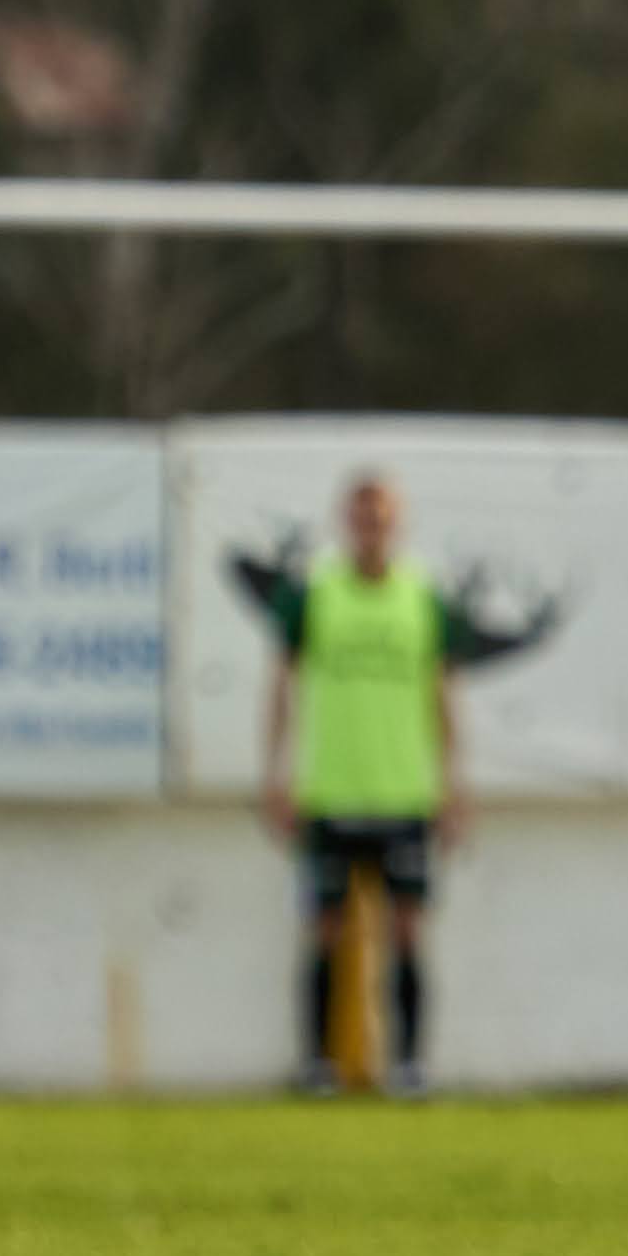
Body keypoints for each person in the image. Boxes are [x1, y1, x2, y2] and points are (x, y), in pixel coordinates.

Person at [251, 471, 466, 1099]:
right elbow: (282, 689)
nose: (371, 530)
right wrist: (275, 776)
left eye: (382, 518)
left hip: (404, 792)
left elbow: (444, 695)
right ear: (345, 523)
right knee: (325, 927)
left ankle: (410, 1065)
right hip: (330, 791)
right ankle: (317, 1065)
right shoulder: (313, 596)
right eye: (361, 518)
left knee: (408, 929)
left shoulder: (423, 599)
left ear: (397, 525)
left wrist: (454, 785)